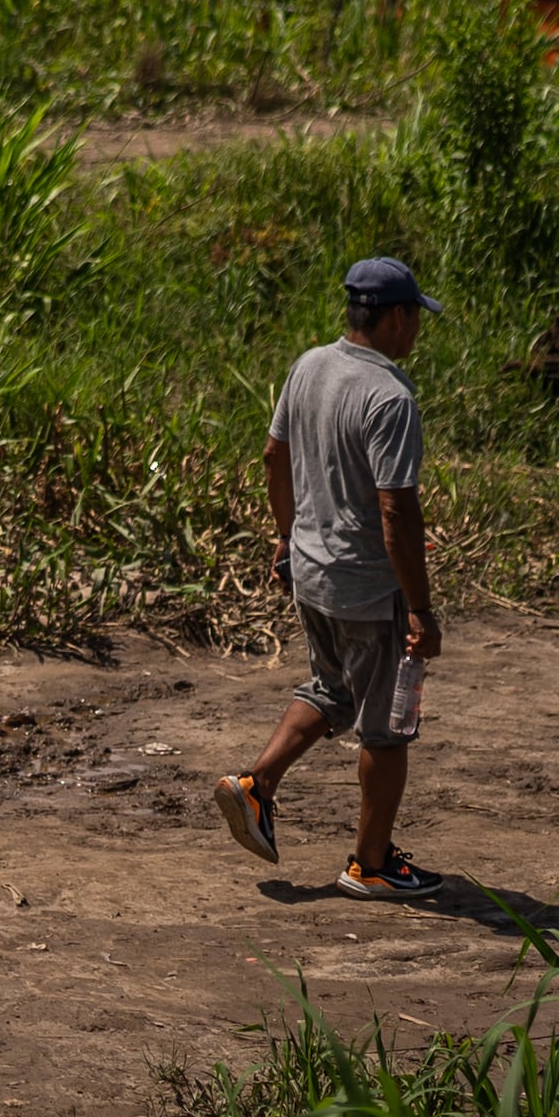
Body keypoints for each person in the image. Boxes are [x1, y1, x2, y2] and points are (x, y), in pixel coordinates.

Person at [217, 256, 445, 901]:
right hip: (370, 587)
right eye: (416, 319)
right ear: (397, 317)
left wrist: (289, 538)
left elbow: (273, 456)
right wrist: (421, 610)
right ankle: (370, 865)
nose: (417, 333)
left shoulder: (311, 364)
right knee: (388, 729)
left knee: (332, 690)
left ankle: (254, 786)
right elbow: (397, 510)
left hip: (311, 573)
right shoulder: (389, 397)